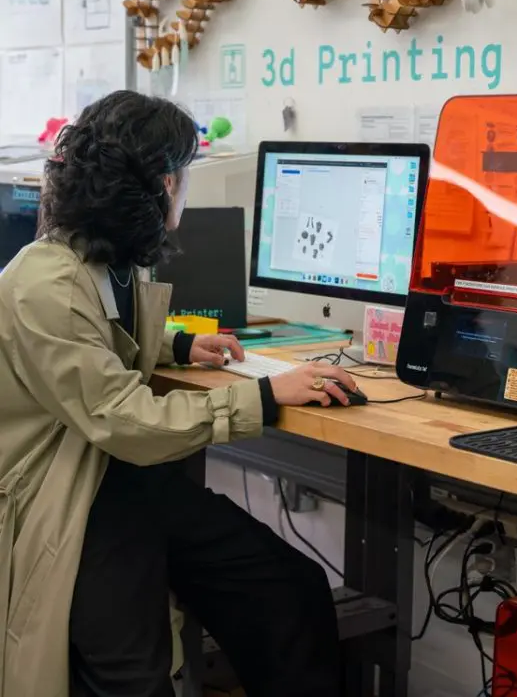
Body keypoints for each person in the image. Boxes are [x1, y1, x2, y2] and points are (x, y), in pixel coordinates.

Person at [0, 90, 356, 697]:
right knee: (132, 672)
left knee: (286, 589)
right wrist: (266, 397)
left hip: (118, 474)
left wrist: (179, 345)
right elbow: (125, 420)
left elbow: (97, 338)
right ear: (165, 183)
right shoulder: (45, 281)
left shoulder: (109, 256)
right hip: (68, 493)